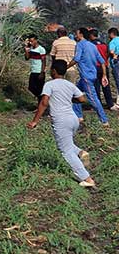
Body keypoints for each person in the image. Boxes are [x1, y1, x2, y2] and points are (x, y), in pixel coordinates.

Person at [27, 60, 96, 188]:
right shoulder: (69, 85)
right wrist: (69, 99)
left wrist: (35, 121)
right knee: (68, 144)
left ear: (53, 71)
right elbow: (82, 99)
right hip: (73, 119)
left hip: (61, 121)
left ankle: (87, 179)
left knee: (66, 151)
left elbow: (44, 103)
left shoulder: (49, 84)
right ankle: (81, 153)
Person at [70, 27, 109, 125]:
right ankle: (78, 116)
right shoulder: (92, 46)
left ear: (81, 34)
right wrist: (104, 75)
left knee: (93, 99)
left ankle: (104, 120)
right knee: (75, 94)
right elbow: (102, 62)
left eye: (77, 33)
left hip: (86, 77)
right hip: (91, 76)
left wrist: (65, 67)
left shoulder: (80, 45)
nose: (75, 35)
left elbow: (76, 59)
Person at [89, 29, 114, 110]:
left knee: (96, 87)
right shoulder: (104, 44)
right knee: (106, 85)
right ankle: (110, 104)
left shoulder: (91, 45)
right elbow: (107, 54)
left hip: (95, 67)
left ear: (91, 35)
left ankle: (97, 104)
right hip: (104, 67)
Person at [24, 34, 47, 100]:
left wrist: (42, 72)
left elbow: (44, 61)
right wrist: (26, 50)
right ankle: (40, 97)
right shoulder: (30, 49)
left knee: (40, 88)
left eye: (32, 41)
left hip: (39, 71)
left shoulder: (41, 49)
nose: (31, 43)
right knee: (31, 87)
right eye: (30, 41)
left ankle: (41, 103)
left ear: (36, 40)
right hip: (33, 71)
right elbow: (27, 58)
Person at [109, 27, 119, 112]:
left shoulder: (112, 42)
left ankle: (118, 103)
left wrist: (115, 56)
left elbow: (111, 52)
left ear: (111, 34)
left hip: (116, 63)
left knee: (118, 82)